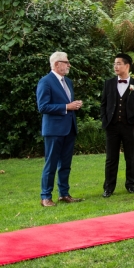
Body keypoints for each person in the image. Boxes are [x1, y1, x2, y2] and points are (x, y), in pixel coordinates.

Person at [36, 52, 84, 207]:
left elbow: (66, 103)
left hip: (69, 128)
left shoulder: (68, 81)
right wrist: (66, 107)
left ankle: (64, 194)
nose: (69, 65)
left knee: (65, 164)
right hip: (54, 130)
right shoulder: (46, 82)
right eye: (66, 62)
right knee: (51, 164)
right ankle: (46, 197)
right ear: (57, 64)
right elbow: (43, 106)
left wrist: (74, 105)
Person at [100, 53, 134, 197]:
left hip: (129, 126)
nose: (116, 66)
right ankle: (108, 187)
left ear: (127, 66)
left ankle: (131, 184)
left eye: (119, 63)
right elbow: (103, 105)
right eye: (114, 63)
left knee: (130, 157)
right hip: (112, 126)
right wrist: (105, 120)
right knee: (111, 158)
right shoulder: (108, 83)